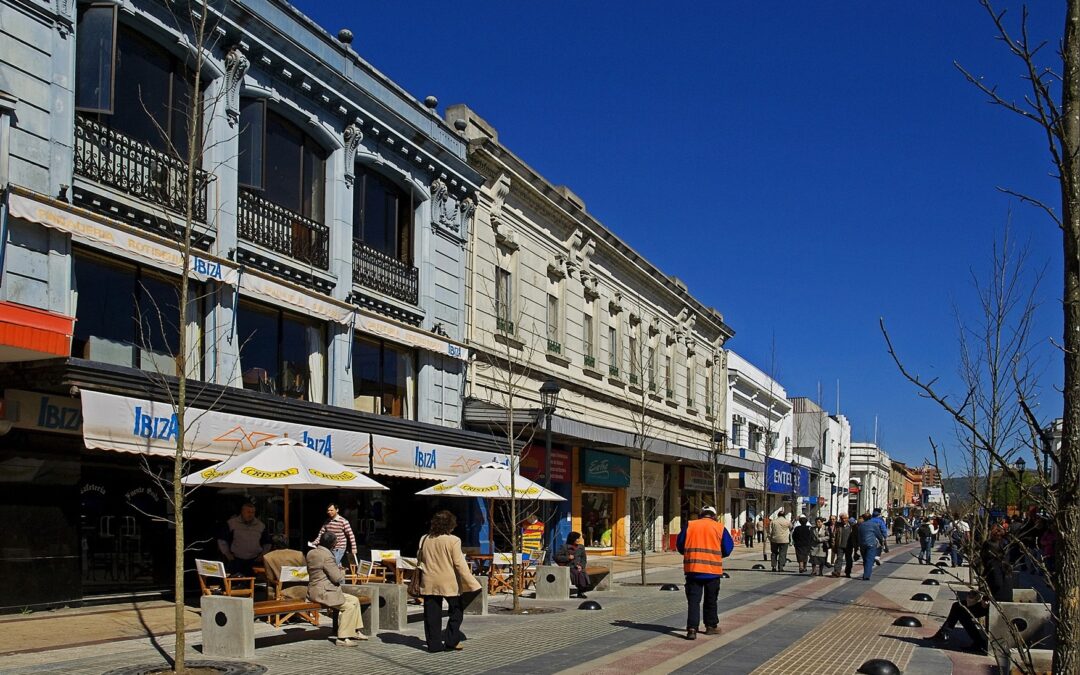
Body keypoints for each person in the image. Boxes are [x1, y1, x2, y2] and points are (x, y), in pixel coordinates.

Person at [931, 525, 1013, 652]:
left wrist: (985, 599)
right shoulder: (1004, 561)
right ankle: (944, 634)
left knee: (960, 609)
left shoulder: (993, 563)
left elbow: (996, 583)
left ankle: (977, 642)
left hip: (996, 603)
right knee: (958, 607)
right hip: (1003, 600)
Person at [417, 510, 482, 653]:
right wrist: (472, 582)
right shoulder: (454, 540)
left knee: (431, 614)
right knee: (456, 610)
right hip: (449, 581)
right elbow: (459, 564)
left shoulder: (424, 539)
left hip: (429, 580)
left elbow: (420, 559)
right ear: (450, 525)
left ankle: (434, 645)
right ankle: (451, 640)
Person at [676, 506, 734, 640]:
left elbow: (680, 545)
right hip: (712, 571)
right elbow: (728, 548)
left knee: (693, 601)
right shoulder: (719, 528)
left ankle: (691, 629)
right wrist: (717, 555)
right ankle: (711, 626)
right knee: (711, 600)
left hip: (693, 570)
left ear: (701, 515)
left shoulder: (690, 525)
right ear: (714, 516)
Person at [307, 531, 365, 647]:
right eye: (335, 542)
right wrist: (342, 571)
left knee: (355, 600)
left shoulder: (311, 552)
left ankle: (355, 631)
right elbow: (337, 578)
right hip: (325, 592)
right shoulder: (327, 556)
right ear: (332, 544)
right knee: (348, 607)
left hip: (314, 590)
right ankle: (342, 638)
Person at [217, 502, 271, 575]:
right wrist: (227, 554)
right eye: (248, 512)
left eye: (253, 512)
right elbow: (222, 540)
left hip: (254, 560)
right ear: (242, 512)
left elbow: (267, 543)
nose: (251, 514)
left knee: (253, 583)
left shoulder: (260, 525)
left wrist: (262, 555)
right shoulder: (232, 523)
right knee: (235, 583)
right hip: (236, 560)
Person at [312, 503, 357, 567]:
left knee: (332, 565)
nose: (329, 512)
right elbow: (321, 534)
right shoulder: (327, 521)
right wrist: (315, 542)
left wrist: (354, 548)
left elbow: (351, 535)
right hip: (329, 548)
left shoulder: (343, 521)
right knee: (336, 564)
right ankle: (339, 575)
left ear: (337, 510)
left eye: (331, 510)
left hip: (339, 547)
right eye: (328, 510)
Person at [554, 531, 590, 598]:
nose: (578, 540)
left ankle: (581, 591)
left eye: (579, 538)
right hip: (569, 566)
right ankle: (581, 592)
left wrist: (581, 566)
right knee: (578, 574)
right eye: (577, 538)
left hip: (578, 566)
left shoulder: (581, 547)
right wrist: (567, 558)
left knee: (582, 574)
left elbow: (583, 559)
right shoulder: (564, 547)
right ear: (572, 539)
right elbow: (556, 557)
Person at [858, 512, 887, 580]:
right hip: (871, 544)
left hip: (862, 544)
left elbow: (859, 535)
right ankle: (866, 575)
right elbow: (878, 534)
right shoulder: (873, 525)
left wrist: (859, 544)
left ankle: (866, 573)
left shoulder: (861, 525)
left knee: (865, 559)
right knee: (869, 559)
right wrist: (881, 541)